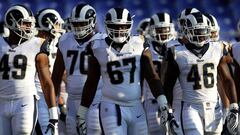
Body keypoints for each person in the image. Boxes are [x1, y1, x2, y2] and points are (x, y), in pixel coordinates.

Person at [77, 7, 176, 135]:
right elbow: (91, 82)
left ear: (129, 26)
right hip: (111, 106)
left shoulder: (139, 43)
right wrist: (82, 112)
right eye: (115, 26)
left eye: (123, 26)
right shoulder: (97, 46)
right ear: (107, 25)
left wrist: (163, 104)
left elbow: (152, 76)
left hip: (136, 106)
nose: (119, 30)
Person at [161, 12, 239, 135]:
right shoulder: (177, 53)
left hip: (214, 106)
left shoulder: (217, 48)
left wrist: (234, 106)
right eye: (197, 31)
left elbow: (227, 79)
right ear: (187, 30)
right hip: (190, 107)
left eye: (204, 31)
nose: (202, 35)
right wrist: (168, 111)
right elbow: (168, 85)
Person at [0, 5, 57, 135]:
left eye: (30, 24)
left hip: (24, 101)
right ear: (11, 22)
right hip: (1, 101)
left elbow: (46, 82)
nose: (29, 27)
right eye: (25, 23)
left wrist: (53, 115)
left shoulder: (37, 44)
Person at [51, 3, 103, 135]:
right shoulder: (64, 40)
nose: (79, 27)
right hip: (72, 98)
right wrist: (54, 101)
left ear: (92, 22)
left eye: (82, 23)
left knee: (94, 131)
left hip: (95, 98)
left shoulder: (101, 41)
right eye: (76, 23)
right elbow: (56, 75)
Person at [142, 12, 180, 135]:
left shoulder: (177, 47)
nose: (163, 32)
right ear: (152, 30)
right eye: (159, 29)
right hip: (152, 99)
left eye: (166, 29)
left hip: (173, 99)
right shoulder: (146, 48)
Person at [34, 8, 65, 135]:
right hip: (38, 95)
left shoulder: (56, 43)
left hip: (51, 95)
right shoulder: (34, 44)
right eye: (56, 24)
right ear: (47, 24)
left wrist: (60, 100)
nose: (59, 28)